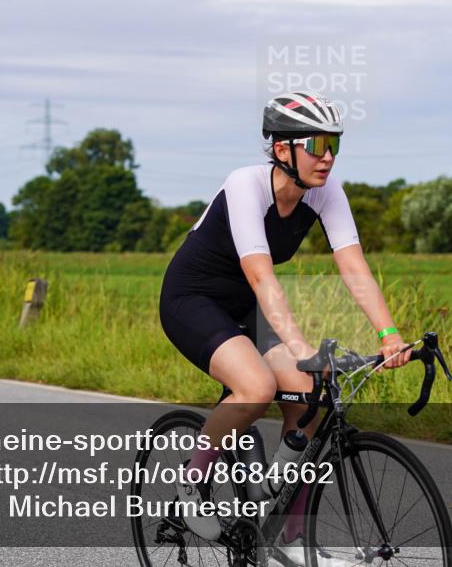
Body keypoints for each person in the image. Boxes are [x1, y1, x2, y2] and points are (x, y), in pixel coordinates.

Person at [159, 91, 410, 565]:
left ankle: (288, 538)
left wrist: (388, 335)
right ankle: (190, 488)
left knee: (306, 394)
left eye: (333, 143)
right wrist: (298, 344)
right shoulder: (244, 185)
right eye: (316, 143)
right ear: (282, 149)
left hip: (245, 307)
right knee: (255, 387)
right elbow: (261, 275)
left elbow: (354, 268)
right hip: (193, 299)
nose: (328, 156)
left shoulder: (326, 192)